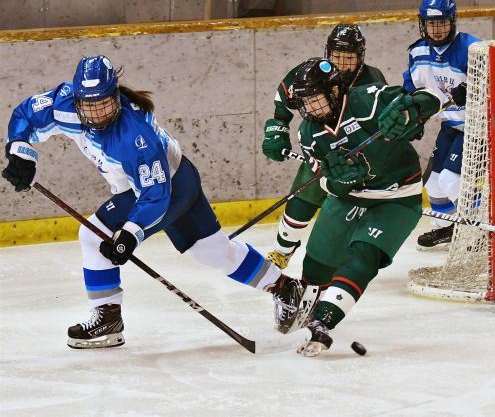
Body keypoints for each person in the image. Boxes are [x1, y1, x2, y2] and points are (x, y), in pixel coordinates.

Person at [2, 55, 300, 349]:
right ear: (77, 98)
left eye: (103, 103)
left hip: (166, 187)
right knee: (213, 251)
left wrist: (130, 234)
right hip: (180, 175)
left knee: (93, 237)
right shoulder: (63, 103)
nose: (96, 113)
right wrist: (20, 151)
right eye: (89, 105)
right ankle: (286, 288)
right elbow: (26, 114)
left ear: (115, 96)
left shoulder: (135, 136)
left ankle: (108, 318)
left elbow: (155, 196)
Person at [278, 57, 445, 356]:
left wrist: (413, 110)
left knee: (363, 253)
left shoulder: (369, 98)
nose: (311, 109)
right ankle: (303, 304)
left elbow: (431, 97)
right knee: (317, 261)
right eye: (306, 103)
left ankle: (324, 322)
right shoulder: (309, 134)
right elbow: (326, 185)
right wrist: (340, 180)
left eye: (316, 100)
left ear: (335, 91)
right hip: (348, 198)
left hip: (397, 197)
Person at [261, 24, 387, 270]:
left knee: (354, 208)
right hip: (321, 148)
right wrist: (276, 130)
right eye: (336, 57)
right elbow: (283, 105)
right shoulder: (313, 72)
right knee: (302, 199)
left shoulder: (373, 79)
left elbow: (382, 125)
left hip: (359, 156)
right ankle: (282, 251)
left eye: (348, 58)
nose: (341, 64)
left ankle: (354, 254)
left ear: (360, 56)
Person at [402, 0, 478, 250]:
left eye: (442, 22)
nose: (436, 29)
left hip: (477, 126)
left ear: (453, 21)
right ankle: (447, 229)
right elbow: (411, 90)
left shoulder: (471, 49)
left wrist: (474, 92)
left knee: (449, 179)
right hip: (450, 126)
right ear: (422, 23)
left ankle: (478, 229)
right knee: (433, 185)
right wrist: (415, 116)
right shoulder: (417, 52)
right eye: (432, 23)